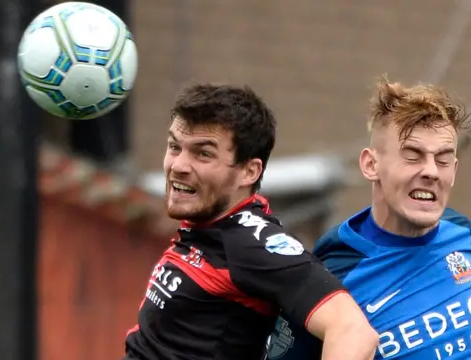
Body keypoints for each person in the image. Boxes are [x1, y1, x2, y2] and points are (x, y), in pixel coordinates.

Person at [123, 83, 378, 360]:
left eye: (203, 153)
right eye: (175, 147)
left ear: (249, 171)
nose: (179, 165)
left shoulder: (253, 243)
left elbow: (352, 331)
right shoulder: (207, 228)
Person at [267, 76, 471, 359]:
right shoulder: (330, 276)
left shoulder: (461, 232)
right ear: (370, 165)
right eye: (413, 156)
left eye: (442, 159)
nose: (431, 172)